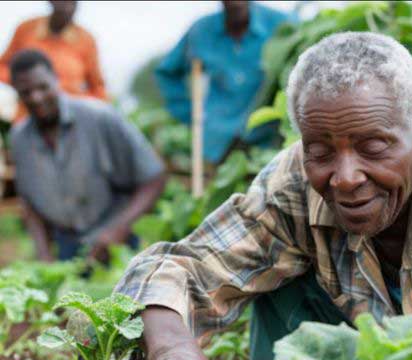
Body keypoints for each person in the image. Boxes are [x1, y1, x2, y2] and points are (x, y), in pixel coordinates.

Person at [115, 32, 412, 360]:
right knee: (279, 281)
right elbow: (186, 263)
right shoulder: (296, 181)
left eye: (373, 147)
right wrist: (171, 345)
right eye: (321, 152)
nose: (346, 177)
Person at [9, 49, 166, 262]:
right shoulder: (19, 138)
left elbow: (154, 177)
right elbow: (29, 201)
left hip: (119, 244)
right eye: (25, 92)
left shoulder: (100, 117)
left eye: (42, 87)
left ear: (56, 80)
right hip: (67, 245)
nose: (36, 98)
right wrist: (44, 252)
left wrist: (117, 230)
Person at [156, 0, 292, 165]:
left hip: (267, 140)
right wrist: (190, 115)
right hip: (218, 143)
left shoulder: (282, 24)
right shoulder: (201, 31)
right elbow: (167, 73)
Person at [0, 0, 107, 120]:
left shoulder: (86, 40)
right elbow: (2, 66)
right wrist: (24, 83)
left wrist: (81, 105)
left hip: (70, 119)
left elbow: (98, 88)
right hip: (28, 114)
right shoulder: (26, 30)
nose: (66, 6)